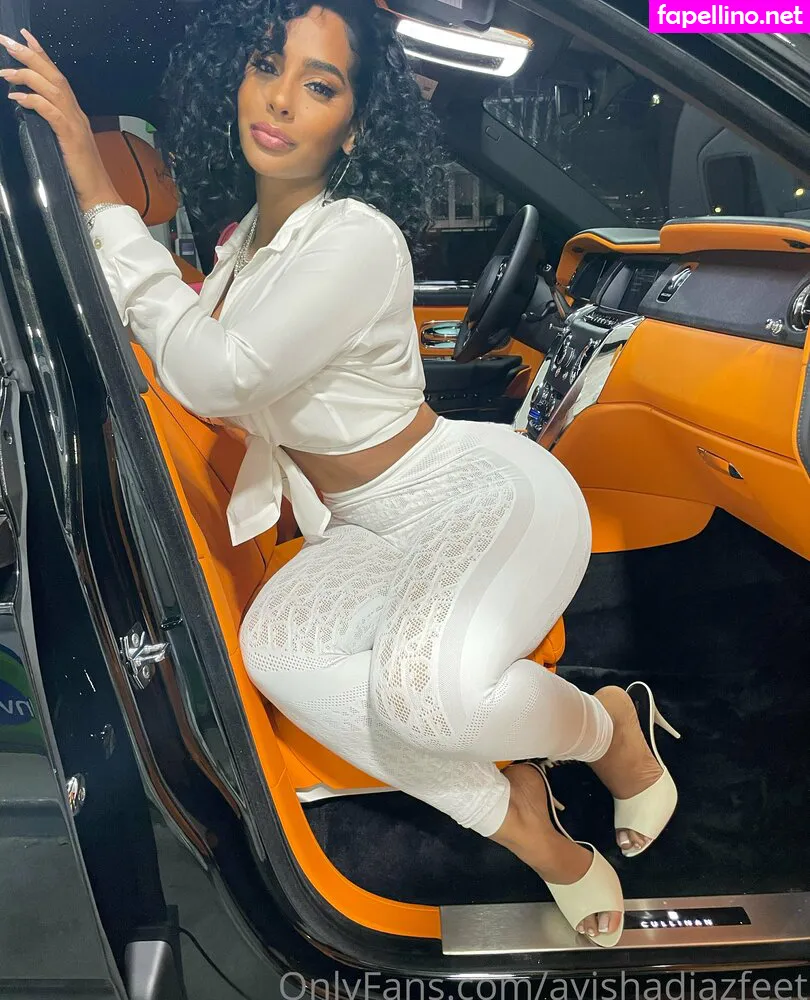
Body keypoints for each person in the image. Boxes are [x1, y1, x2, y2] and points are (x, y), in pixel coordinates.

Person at [0, 1, 681, 946]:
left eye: (318, 85)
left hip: (478, 495)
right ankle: (513, 814)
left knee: (423, 698)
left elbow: (217, 374)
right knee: (279, 658)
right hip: (365, 526)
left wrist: (95, 181)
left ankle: (607, 731)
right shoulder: (242, 248)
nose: (280, 99)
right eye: (265, 66)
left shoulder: (357, 236)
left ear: (356, 127)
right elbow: (196, 345)